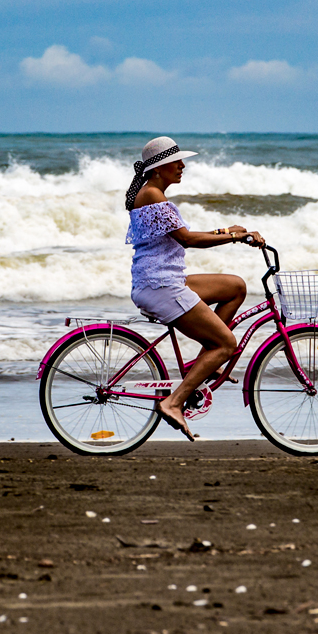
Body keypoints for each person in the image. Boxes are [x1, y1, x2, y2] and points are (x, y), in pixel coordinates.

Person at [125, 136, 264, 441]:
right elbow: (188, 239)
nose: (183, 166)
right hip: (160, 286)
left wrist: (228, 230)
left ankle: (204, 363)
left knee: (235, 287)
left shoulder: (153, 193)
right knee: (227, 344)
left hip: (165, 279)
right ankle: (173, 403)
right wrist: (234, 237)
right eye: (177, 162)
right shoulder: (152, 196)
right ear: (159, 168)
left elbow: (184, 234)